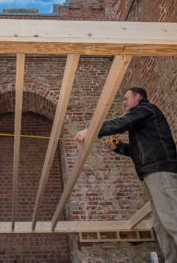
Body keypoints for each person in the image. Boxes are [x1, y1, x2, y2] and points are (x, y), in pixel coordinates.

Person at [74, 87, 177, 263]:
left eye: (126, 98)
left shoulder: (146, 109)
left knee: (171, 219)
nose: (124, 101)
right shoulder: (143, 120)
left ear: (138, 97)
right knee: (161, 226)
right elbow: (138, 150)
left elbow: (123, 122)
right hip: (152, 172)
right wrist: (120, 147)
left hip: (160, 171)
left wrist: (92, 130)